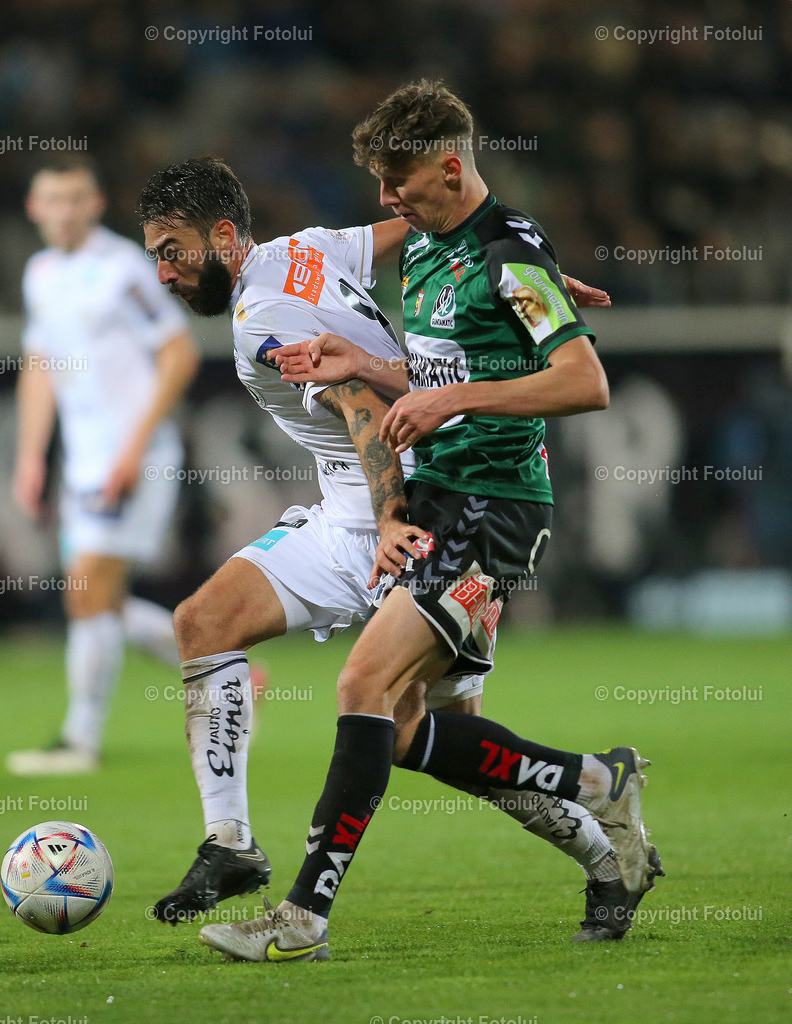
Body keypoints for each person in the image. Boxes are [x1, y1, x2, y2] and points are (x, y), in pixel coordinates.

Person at [195, 81, 661, 962]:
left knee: (360, 686)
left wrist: (457, 401)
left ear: (450, 168)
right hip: (438, 497)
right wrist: (362, 362)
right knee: (413, 732)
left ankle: (301, 919)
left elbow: (583, 381)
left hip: (496, 504)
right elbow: (437, 369)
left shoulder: (508, 252)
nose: (385, 199)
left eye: (397, 180)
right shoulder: (425, 251)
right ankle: (601, 800)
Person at [7, 157, 199, 776]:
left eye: (75, 199)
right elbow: (40, 366)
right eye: (53, 200)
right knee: (96, 599)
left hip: (135, 456)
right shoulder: (40, 274)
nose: (64, 211)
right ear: (35, 208)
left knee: (88, 587)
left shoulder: (123, 269)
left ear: (95, 204)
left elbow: (179, 354)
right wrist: (30, 455)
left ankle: (78, 740)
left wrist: (134, 448)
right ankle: (227, 668)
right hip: (84, 461)